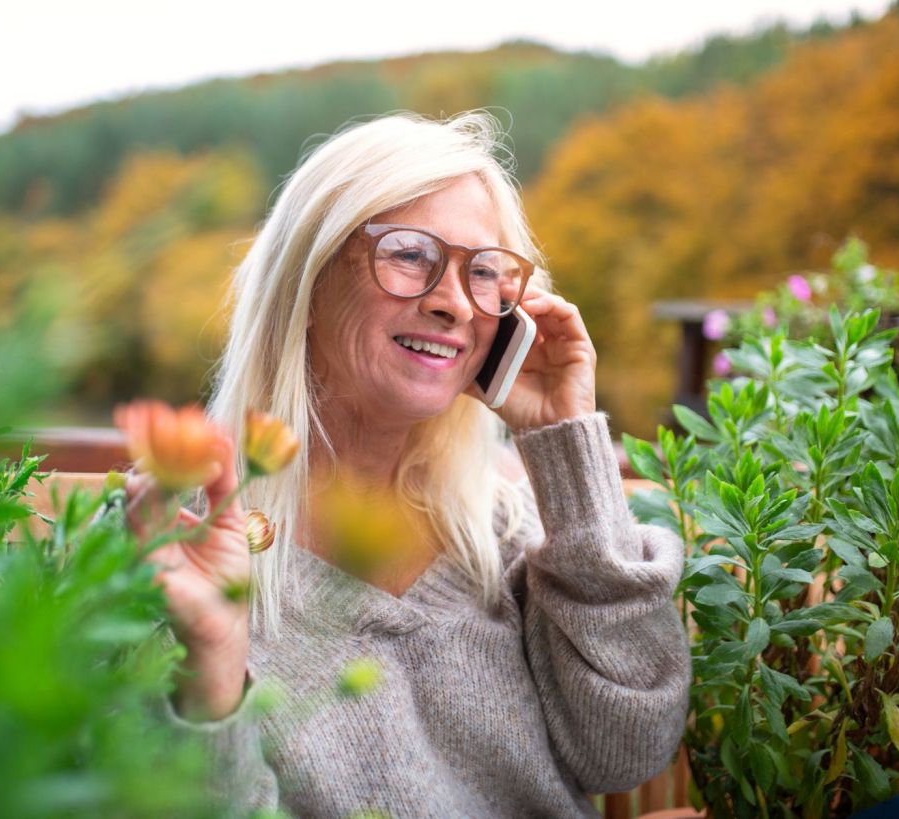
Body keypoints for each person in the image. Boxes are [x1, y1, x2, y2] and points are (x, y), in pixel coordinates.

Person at [127, 111, 691, 818]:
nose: (454, 302)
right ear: (306, 281)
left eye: (484, 270)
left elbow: (627, 750)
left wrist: (565, 439)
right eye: (409, 253)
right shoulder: (190, 547)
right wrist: (210, 665)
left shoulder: (505, 533)